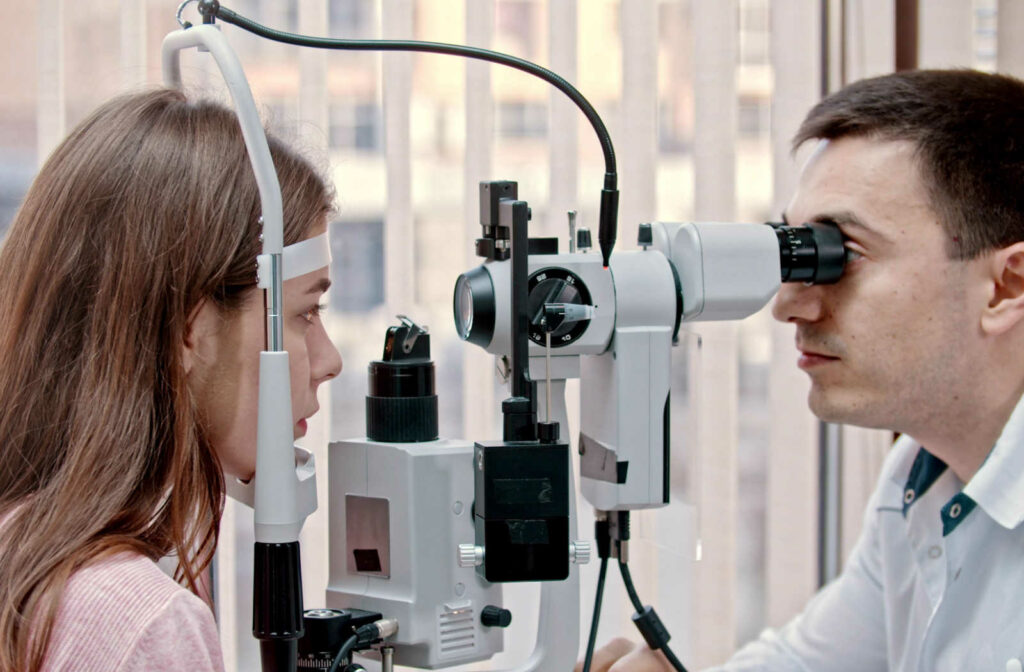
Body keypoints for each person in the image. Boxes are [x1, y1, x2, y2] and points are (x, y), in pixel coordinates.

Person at [582, 68, 1024, 671]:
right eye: (798, 249)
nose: (789, 305)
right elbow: (810, 661)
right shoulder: (925, 477)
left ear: (1004, 286)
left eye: (840, 253)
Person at [0, 89, 342, 671]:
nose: (329, 359)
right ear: (193, 330)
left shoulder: (23, 555)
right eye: (304, 313)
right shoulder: (140, 626)